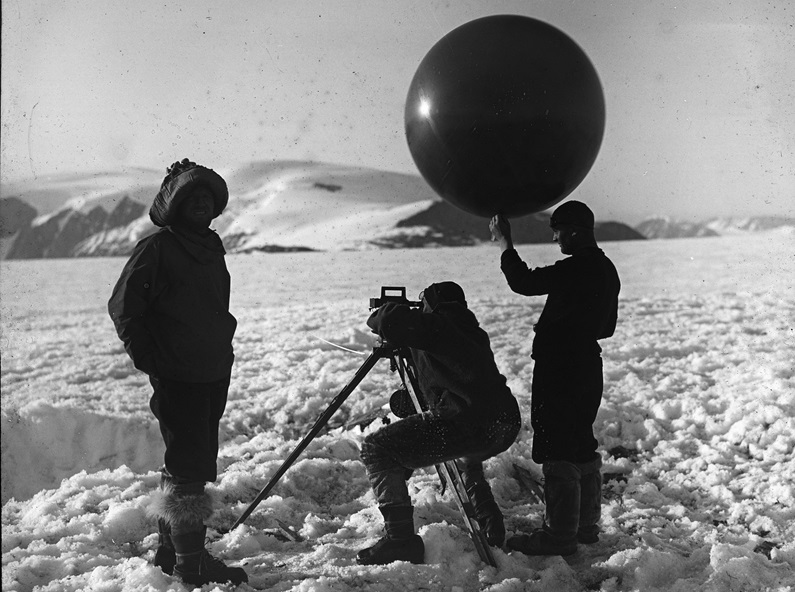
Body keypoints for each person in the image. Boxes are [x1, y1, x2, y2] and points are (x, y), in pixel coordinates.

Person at [108, 159, 247, 586]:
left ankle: (172, 552)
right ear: (177, 206)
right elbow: (125, 308)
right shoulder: (158, 248)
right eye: (193, 198)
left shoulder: (209, 246)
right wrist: (153, 359)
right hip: (179, 375)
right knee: (189, 469)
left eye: (208, 197)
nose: (202, 204)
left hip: (210, 371)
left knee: (192, 463)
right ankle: (191, 570)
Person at [489, 200, 620, 556]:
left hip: (561, 368)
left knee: (558, 447)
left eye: (558, 231)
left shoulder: (574, 269)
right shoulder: (606, 269)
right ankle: (586, 527)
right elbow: (606, 326)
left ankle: (559, 536)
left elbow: (524, 281)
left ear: (574, 231)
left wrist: (505, 245)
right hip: (588, 365)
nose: (556, 239)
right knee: (580, 442)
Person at [358, 281, 521, 565]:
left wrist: (388, 310)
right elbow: (448, 382)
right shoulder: (468, 330)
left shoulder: (439, 325)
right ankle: (488, 517)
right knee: (463, 454)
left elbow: (385, 320)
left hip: (473, 425)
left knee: (376, 448)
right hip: (502, 422)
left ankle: (400, 540)